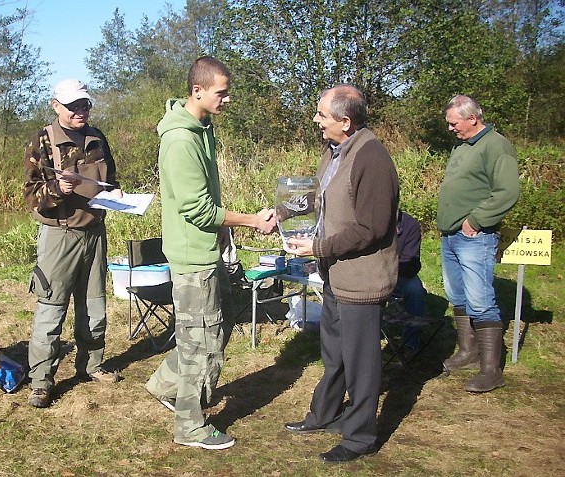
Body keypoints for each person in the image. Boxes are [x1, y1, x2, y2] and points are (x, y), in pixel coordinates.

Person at [144, 56, 276, 450]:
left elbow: (205, 203)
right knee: (199, 343)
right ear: (197, 91)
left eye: (228, 91)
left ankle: (165, 385)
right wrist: (251, 220)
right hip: (192, 258)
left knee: (214, 328)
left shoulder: (202, 127)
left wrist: (220, 233)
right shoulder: (181, 139)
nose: (227, 99)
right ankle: (189, 426)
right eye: (222, 92)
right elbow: (196, 208)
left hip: (206, 249)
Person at [283, 85, 399, 463]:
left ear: (345, 122)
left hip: (362, 280)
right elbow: (319, 197)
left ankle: (360, 437)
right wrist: (282, 213)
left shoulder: (372, 158)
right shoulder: (335, 152)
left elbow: (372, 228)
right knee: (335, 354)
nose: (316, 120)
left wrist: (317, 248)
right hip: (336, 275)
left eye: (322, 115)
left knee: (362, 362)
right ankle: (325, 414)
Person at [23, 79, 122, 408]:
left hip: (95, 233)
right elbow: (30, 197)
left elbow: (110, 182)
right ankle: (40, 380)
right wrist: (57, 191)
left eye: (85, 105)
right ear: (56, 106)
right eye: (73, 107)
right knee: (51, 311)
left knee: (95, 308)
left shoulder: (97, 137)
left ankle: (92, 365)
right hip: (59, 236)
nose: (81, 112)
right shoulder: (43, 140)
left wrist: (116, 194)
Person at [438, 94, 520, 393]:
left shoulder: (496, 145)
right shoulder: (462, 146)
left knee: (480, 299)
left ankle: (491, 370)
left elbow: (507, 191)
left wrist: (476, 220)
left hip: (475, 235)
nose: (450, 128)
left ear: (472, 118)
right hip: (451, 235)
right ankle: (468, 352)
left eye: (453, 123)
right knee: (457, 295)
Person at [395, 210, 427, 358]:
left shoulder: (410, 225)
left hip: (399, 273)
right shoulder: (369, 220)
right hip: (371, 274)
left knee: (415, 290)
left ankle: (411, 343)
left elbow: (411, 263)